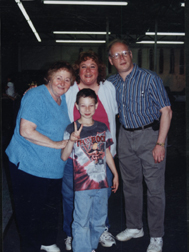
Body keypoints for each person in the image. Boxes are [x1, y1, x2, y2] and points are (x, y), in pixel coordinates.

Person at [107, 39, 172, 252]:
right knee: (131, 185)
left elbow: (166, 111)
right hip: (125, 136)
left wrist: (160, 143)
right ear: (111, 60)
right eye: (116, 55)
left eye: (125, 52)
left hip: (150, 136)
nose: (122, 57)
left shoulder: (149, 78)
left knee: (154, 190)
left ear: (131, 55)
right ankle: (134, 227)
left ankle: (156, 236)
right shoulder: (111, 83)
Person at [5, 61, 75, 252]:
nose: (62, 82)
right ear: (49, 77)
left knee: (50, 206)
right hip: (29, 164)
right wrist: (56, 144)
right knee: (30, 211)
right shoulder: (36, 95)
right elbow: (26, 131)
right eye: (58, 77)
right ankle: (31, 247)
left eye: (67, 79)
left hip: (52, 167)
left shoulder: (63, 99)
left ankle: (47, 240)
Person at [63, 51, 118, 250]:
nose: (88, 70)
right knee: (72, 197)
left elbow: (118, 110)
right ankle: (72, 234)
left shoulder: (108, 88)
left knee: (101, 198)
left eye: (92, 66)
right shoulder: (70, 90)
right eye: (84, 66)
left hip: (103, 157)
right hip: (76, 160)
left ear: (99, 70)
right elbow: (52, 90)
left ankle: (101, 229)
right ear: (78, 69)